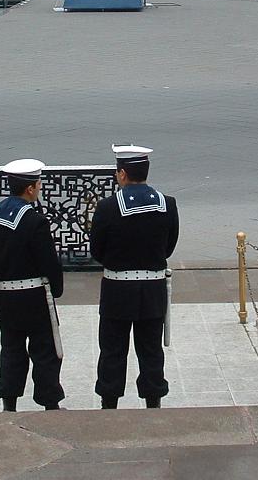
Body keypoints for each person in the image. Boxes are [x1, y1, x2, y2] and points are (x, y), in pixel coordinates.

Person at [91, 145, 179, 410]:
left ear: (122, 174)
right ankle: (153, 403)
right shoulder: (168, 204)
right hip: (153, 289)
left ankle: (109, 404)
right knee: (151, 350)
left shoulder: (107, 207)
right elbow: (168, 247)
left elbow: (97, 250)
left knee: (112, 351)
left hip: (117, 290)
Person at [0, 159, 64, 412]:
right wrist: (57, 288)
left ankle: (9, 402)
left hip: (6, 297)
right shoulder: (34, 221)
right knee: (45, 351)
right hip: (35, 296)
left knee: (11, 351)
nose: (39, 188)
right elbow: (48, 261)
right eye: (38, 184)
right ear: (30, 188)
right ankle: (49, 402)